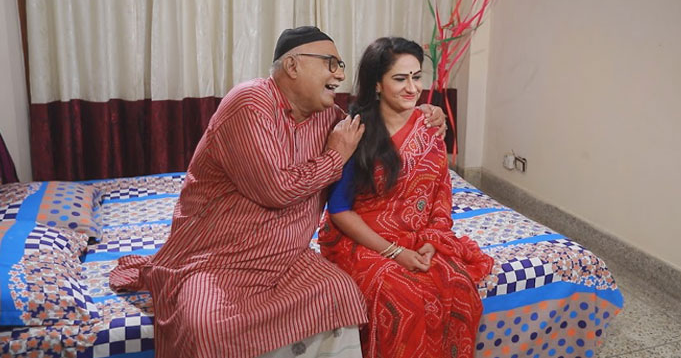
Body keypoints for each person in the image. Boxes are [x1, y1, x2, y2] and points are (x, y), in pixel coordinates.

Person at [109, 27, 446, 358]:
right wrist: (334, 156)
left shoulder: (329, 117)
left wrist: (427, 114)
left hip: (286, 258)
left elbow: (373, 130)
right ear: (293, 65)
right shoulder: (250, 101)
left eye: (341, 66)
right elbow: (276, 189)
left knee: (340, 294)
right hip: (214, 260)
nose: (340, 75)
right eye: (331, 63)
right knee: (206, 326)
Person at [318, 37, 493, 358]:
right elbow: (339, 210)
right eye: (400, 78)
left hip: (419, 235)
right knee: (402, 298)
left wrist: (433, 240)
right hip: (362, 239)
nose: (412, 88)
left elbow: (440, 194)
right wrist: (395, 252)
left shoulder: (430, 127)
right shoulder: (354, 131)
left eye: (416, 76)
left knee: (457, 285)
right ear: (377, 84)